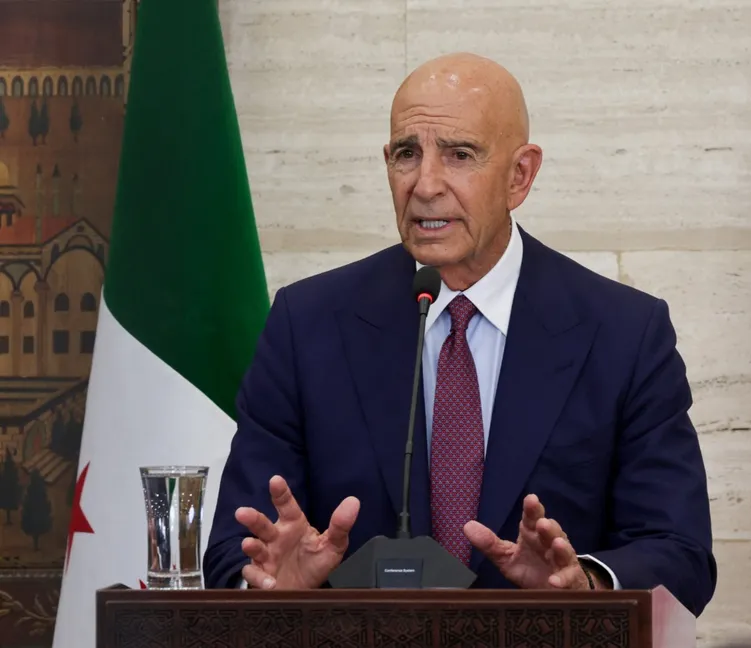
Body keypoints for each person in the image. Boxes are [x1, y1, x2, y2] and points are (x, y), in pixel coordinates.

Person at [203, 52, 717, 616]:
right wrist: (270, 588)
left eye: (460, 155)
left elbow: (679, 551)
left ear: (520, 175)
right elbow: (236, 547)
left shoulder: (623, 333)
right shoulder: (307, 324)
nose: (425, 185)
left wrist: (586, 585)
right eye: (407, 154)